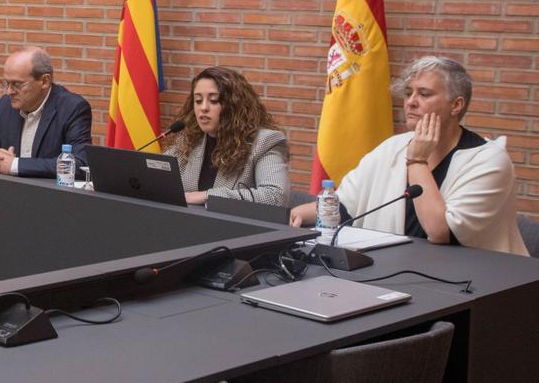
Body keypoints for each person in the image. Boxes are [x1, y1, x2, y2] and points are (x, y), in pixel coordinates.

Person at [291, 56, 527, 256]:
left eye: (424, 94)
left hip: (474, 286)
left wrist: (417, 161)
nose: (411, 102)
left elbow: (441, 231)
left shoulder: (489, 160)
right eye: (408, 93)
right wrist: (300, 214)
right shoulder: (393, 147)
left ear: (456, 105)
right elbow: (347, 204)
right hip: (395, 269)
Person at [168, 67, 290, 206]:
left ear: (234, 106)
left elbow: (275, 196)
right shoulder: (190, 139)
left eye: (214, 100)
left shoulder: (265, 142)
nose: (203, 108)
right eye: (198, 100)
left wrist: (206, 195)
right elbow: (159, 178)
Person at [0, 46, 93, 178]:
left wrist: (14, 165)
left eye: (17, 84)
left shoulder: (73, 107)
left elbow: (80, 163)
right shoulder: (6, 104)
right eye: (6, 83)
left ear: (44, 81)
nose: (9, 91)